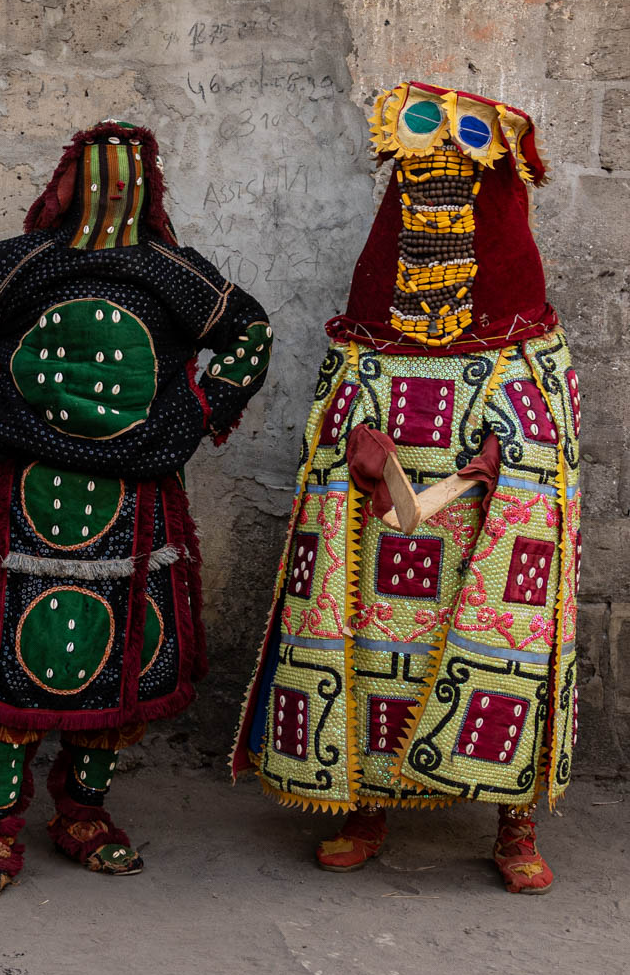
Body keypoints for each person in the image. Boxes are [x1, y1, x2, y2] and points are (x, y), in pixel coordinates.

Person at [234, 82, 577, 895]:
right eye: (421, 186)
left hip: (485, 527)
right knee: (370, 656)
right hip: (380, 524)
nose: (436, 206)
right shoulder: (370, 304)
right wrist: (352, 440)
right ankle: (364, 807)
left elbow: (549, 416)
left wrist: (508, 456)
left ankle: (512, 820)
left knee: (508, 652)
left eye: (455, 185)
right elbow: (344, 391)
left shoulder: (518, 309)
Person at [0, 121, 271, 898]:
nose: (112, 192)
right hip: (31, 496)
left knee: (121, 655)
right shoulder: (19, 266)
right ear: (65, 184)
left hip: (136, 497)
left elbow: (248, 332)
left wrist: (193, 412)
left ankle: (83, 812)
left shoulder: (174, 275)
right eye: (96, 176)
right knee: (15, 655)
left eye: (127, 178)